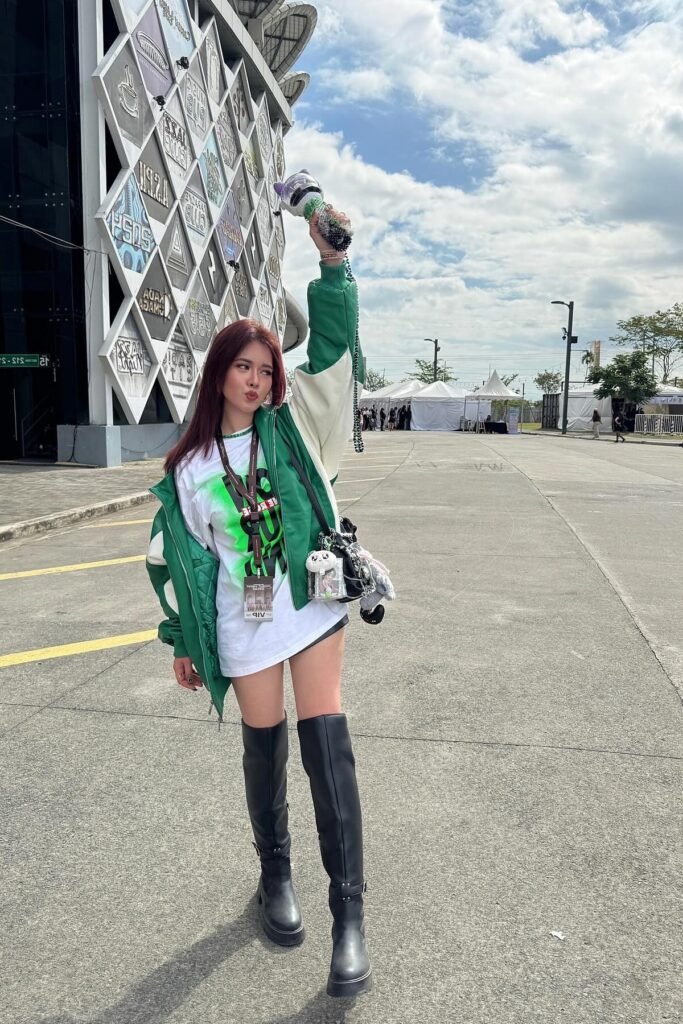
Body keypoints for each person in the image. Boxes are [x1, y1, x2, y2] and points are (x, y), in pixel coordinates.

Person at [145, 212, 372, 998]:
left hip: (306, 605)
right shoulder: (190, 466)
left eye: (266, 368)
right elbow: (181, 559)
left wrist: (332, 269)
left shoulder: (293, 428)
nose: (256, 379)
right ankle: (274, 878)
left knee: (326, 743)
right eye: (242, 367)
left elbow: (337, 353)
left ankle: (349, 917)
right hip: (243, 622)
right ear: (218, 374)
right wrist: (181, 636)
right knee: (263, 749)